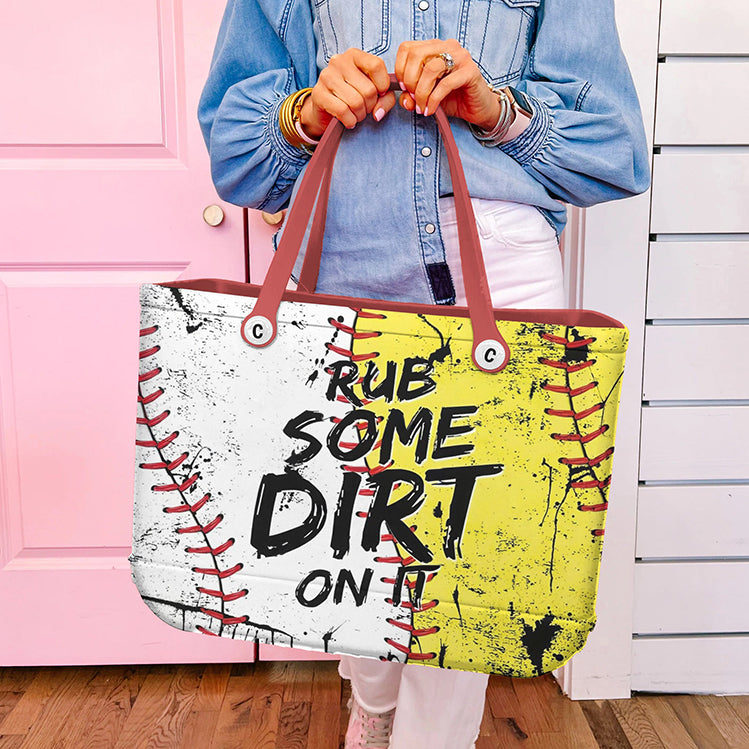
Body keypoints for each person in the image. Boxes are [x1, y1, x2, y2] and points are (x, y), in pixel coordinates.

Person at [198, 1, 650, 747]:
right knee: (347, 538)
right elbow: (235, 156)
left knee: (462, 564)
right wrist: (305, 113)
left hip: (495, 273)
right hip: (339, 258)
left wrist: (498, 110)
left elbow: (614, 148)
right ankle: (372, 702)